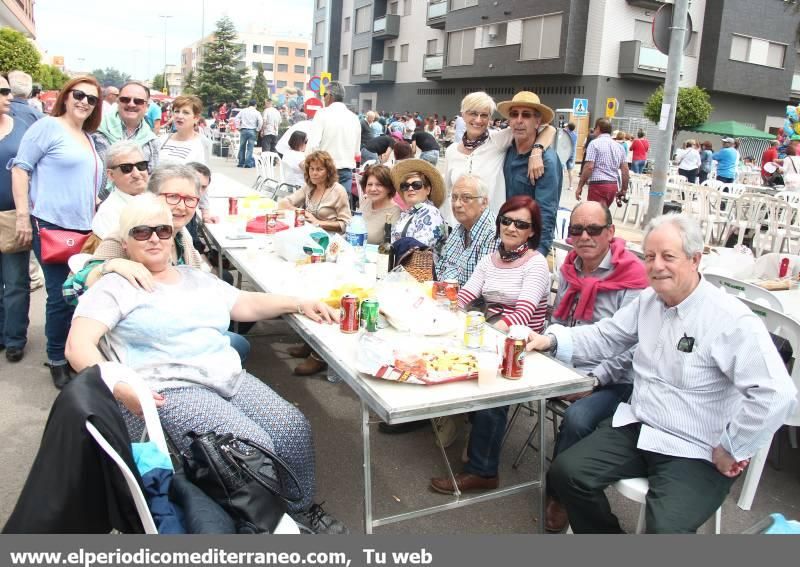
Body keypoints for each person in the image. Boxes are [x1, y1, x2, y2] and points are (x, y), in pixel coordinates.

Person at [65, 193, 349, 534]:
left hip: (225, 374)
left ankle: (299, 512)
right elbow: (77, 346)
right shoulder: (115, 285)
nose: (154, 238)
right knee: (247, 447)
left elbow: (245, 304)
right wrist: (121, 386)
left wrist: (300, 303)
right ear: (126, 243)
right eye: (141, 232)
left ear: (172, 235)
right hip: (170, 385)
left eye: (162, 230)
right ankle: (265, 525)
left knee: (292, 429)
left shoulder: (195, 276)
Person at [526, 213, 798, 533]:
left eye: (669, 256)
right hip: (642, 427)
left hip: (697, 447)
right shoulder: (650, 301)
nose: (657, 266)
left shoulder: (729, 318)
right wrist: (552, 339)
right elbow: (607, 335)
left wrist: (734, 446)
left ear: (695, 260)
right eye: (650, 257)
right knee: (566, 473)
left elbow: (776, 392)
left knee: (665, 530)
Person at [429, 195, 551, 494]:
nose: (511, 228)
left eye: (521, 224)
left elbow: (522, 313)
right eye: (506, 220)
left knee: (491, 388)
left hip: (523, 346)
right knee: (436, 348)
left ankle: (483, 470)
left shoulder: (535, 264)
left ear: (532, 231)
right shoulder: (491, 259)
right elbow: (466, 295)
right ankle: (433, 421)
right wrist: (441, 308)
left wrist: (481, 330)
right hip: (490, 336)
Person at [542, 201, 648, 532]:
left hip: (612, 377)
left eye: (593, 229)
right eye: (576, 229)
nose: (584, 236)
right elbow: (558, 319)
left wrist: (594, 380)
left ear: (611, 232)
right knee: (506, 372)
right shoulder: (570, 266)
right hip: (567, 357)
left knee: (578, 417)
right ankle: (484, 466)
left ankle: (559, 495)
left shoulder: (634, 276)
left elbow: (631, 348)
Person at [10, 75, 103, 388]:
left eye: (91, 99)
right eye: (79, 94)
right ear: (66, 96)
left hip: (85, 228)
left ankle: (73, 351)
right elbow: (20, 168)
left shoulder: (87, 136)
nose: (84, 102)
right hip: (51, 225)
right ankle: (57, 358)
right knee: (61, 295)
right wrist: (23, 217)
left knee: (80, 294)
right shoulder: (47, 127)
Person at [444, 91, 555, 224]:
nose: (478, 120)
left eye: (484, 115)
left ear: (490, 118)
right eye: (473, 113)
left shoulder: (498, 140)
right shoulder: (451, 151)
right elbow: (446, 192)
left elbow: (548, 129)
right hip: (457, 229)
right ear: (462, 115)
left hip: (491, 231)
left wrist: (537, 150)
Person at [0, 73, 38, 363]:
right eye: (2, 91)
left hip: (14, 216)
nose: (8, 96)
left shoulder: (23, 128)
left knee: (15, 282)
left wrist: (27, 214)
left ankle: (14, 338)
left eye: (7, 90)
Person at [498, 91, 562, 257]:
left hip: (528, 246)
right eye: (514, 114)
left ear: (537, 121)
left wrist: (538, 255)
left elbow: (546, 213)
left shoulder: (546, 161)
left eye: (526, 115)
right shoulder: (505, 148)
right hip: (504, 240)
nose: (519, 120)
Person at [94, 81, 160, 200]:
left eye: (138, 101)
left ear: (147, 107)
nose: (131, 104)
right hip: (96, 207)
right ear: (118, 101)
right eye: (125, 99)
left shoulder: (152, 142)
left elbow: (152, 181)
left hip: (133, 211)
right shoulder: (96, 131)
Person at [435, 173, 498, 285]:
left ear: (484, 202)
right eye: (454, 198)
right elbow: (441, 267)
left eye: (466, 198)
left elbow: (482, 285)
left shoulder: (493, 233)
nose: (457, 204)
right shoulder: (458, 229)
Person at [306, 81, 360, 206]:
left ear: (329, 95)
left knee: (321, 210)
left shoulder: (322, 114)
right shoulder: (354, 118)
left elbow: (312, 145)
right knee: (341, 211)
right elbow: (356, 150)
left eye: (324, 94)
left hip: (325, 171)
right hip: (346, 171)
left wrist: (309, 167)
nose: (323, 98)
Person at [277, 150, 352, 233]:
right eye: (311, 169)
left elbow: (346, 224)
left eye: (319, 169)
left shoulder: (338, 191)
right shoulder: (309, 187)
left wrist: (318, 223)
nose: (314, 173)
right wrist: (303, 213)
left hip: (330, 239)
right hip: (310, 235)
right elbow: (282, 203)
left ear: (328, 172)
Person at [91, 141, 149, 239]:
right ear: (111, 175)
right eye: (126, 168)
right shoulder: (108, 213)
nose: (136, 174)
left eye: (141, 166)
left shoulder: (157, 201)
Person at [390, 158, 447, 253]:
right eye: (405, 186)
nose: (410, 189)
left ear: (428, 190)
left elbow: (419, 249)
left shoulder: (431, 212)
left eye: (416, 185)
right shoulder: (408, 214)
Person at [576, 118, 628, 207]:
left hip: (598, 184)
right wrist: (623, 189)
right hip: (613, 185)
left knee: (595, 214)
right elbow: (625, 170)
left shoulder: (594, 143)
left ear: (598, 128)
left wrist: (580, 186)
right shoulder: (619, 147)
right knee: (604, 213)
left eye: (595, 128)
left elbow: (589, 167)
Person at [157, 95, 211, 167]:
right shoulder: (162, 140)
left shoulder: (202, 142)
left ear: (196, 118)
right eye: (177, 111)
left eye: (186, 112)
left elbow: (204, 175)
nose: (179, 116)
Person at [359, 164, 401, 244]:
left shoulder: (395, 213)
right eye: (369, 184)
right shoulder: (366, 202)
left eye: (379, 185)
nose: (373, 189)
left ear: (389, 188)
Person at [235, 99, 263, 168]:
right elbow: (260, 121)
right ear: (255, 105)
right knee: (250, 148)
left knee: (242, 147)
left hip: (243, 130)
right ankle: (247, 163)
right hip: (252, 131)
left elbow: (236, 118)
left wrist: (238, 127)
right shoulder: (257, 112)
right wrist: (258, 129)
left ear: (249, 104)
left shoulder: (243, 111)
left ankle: (241, 163)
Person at [564, 122, 578, 187]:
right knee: (570, 170)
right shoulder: (575, 135)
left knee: (561, 170)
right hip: (571, 154)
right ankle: (571, 185)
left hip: (564, 153)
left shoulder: (565, 134)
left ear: (568, 127)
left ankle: (560, 184)